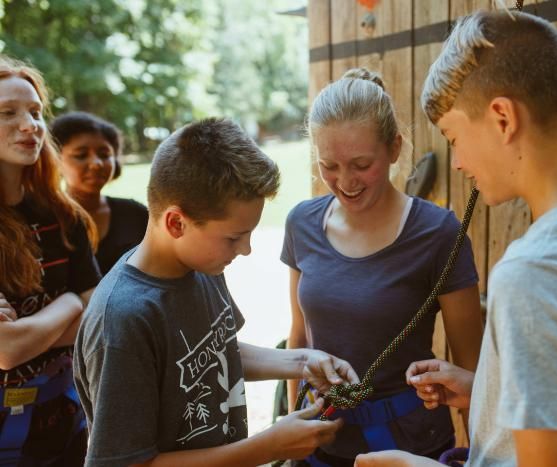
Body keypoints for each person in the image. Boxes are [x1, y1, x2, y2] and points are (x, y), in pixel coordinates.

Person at [355, 9, 557, 467]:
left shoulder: (533, 274)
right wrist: (484, 390)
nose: (457, 162)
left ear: (501, 118)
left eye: (454, 137)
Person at [73, 117, 361, 466]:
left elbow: (216, 353)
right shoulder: (122, 321)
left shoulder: (202, 265)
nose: (246, 250)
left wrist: (303, 362)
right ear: (176, 223)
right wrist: (268, 447)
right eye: (233, 237)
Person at [282, 68, 483, 466]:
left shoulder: (440, 233)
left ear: (394, 148)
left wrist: (480, 455)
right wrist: (294, 430)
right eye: (329, 166)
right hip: (322, 442)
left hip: (412, 447)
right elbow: (298, 337)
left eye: (360, 164)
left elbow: (471, 367)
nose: (344, 181)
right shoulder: (301, 223)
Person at [0, 55, 101, 465]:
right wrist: (71, 304)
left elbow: (95, 317)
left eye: (36, 112)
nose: (31, 125)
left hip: (64, 420)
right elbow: (6, 352)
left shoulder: (65, 216)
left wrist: (70, 306)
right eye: (8, 113)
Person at [51, 111, 148, 274]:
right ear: (55, 161)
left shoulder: (135, 213)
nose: (96, 164)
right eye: (81, 155)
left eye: (104, 155)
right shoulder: (45, 219)